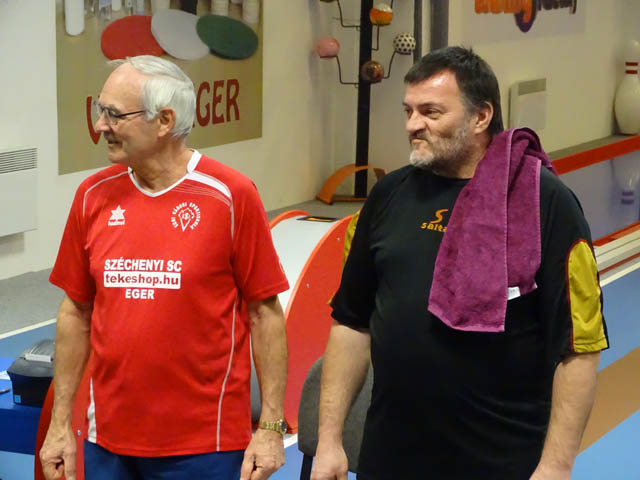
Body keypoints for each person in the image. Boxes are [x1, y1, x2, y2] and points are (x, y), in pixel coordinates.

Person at [311, 46, 608, 480]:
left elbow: (578, 348)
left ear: (480, 116)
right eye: (409, 111)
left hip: (499, 462)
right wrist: (330, 440)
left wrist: (556, 467)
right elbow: (351, 322)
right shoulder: (388, 195)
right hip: (391, 457)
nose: (413, 125)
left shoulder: (544, 203)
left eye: (431, 112)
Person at [40, 55, 290, 480]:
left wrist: (269, 428)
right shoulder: (91, 195)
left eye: (114, 114)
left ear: (164, 121)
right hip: (108, 441)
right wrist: (60, 424)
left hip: (205, 446)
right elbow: (76, 312)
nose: (100, 125)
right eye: (99, 110)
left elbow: (264, 314)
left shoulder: (231, 195)